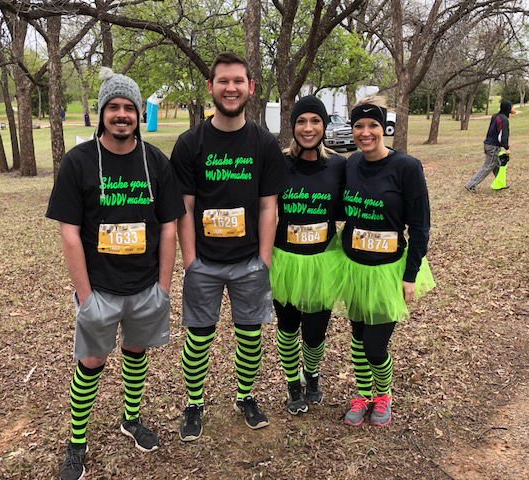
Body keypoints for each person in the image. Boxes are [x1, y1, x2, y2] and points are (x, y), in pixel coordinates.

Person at [47, 67, 185, 480]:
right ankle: (76, 443)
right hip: (100, 288)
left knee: (137, 354)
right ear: (103, 111)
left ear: (138, 113)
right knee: (91, 361)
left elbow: (169, 227)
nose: (121, 114)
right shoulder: (79, 162)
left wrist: (163, 286)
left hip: (145, 286)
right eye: (114, 107)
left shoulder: (156, 162)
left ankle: (130, 418)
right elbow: (70, 235)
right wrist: (86, 297)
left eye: (129, 107)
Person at [170, 52, 286, 441]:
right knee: (198, 338)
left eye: (238, 81)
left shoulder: (264, 143)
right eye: (223, 81)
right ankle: (194, 402)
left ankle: (245, 396)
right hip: (204, 261)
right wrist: (190, 260)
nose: (231, 88)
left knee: (250, 336)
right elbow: (184, 206)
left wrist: (264, 259)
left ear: (250, 88)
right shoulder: (189, 143)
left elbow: (270, 205)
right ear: (211, 88)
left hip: (249, 261)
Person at [330, 95, 435, 427]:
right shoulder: (348, 164)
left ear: (383, 128)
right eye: (358, 126)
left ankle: (384, 394)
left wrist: (410, 274)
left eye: (372, 125)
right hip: (353, 266)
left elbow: (420, 226)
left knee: (375, 346)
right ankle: (363, 395)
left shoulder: (406, 167)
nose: (365, 133)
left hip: (388, 270)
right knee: (358, 336)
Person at [269, 95, 346, 415]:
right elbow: (262, 207)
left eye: (315, 120)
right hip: (285, 260)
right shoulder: (279, 162)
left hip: (323, 262)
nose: (308, 127)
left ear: (325, 126)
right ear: (292, 126)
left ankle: (311, 375)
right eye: (301, 121)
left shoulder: (340, 165)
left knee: (315, 332)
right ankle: (292, 385)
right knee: (288, 326)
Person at [465, 99, 515, 192]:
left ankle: (500, 184)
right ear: (508, 108)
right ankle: (470, 185)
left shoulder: (495, 116)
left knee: (497, 165)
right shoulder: (504, 119)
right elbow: (503, 135)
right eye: (511, 107)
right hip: (493, 147)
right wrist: (506, 148)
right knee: (488, 166)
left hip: (488, 144)